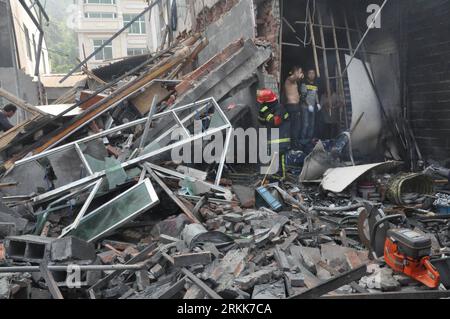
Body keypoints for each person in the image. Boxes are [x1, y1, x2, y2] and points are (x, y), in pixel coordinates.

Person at [257, 89, 291, 180]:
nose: (262, 104)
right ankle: (275, 175)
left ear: (267, 101)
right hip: (273, 138)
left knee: (280, 157)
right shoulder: (268, 108)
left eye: (263, 102)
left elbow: (276, 122)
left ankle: (282, 176)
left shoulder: (279, 108)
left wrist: (266, 114)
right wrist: (261, 114)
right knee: (273, 157)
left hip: (281, 138)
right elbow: (262, 122)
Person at [284, 66, 304, 150]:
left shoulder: (294, 82)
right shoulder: (289, 79)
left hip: (295, 106)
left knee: (296, 127)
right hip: (292, 106)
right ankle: (293, 146)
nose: (300, 73)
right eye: (299, 71)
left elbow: (297, 79)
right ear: (294, 72)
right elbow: (295, 77)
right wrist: (298, 73)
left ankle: (294, 144)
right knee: (294, 127)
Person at [300, 69, 321, 144]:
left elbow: (316, 95)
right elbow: (303, 96)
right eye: (310, 73)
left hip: (312, 107)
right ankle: (302, 141)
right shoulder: (304, 83)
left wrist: (318, 103)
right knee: (305, 124)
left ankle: (309, 141)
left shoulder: (315, 84)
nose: (312, 75)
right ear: (307, 74)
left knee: (312, 124)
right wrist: (308, 105)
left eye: (313, 73)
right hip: (305, 107)